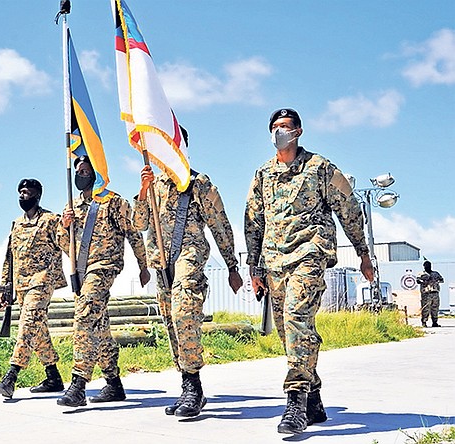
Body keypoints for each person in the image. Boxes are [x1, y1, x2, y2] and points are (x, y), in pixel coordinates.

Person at [244, 108, 375, 435]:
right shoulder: (262, 174)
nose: (279, 132)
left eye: (285, 126)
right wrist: (254, 266)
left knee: (298, 319)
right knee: (288, 332)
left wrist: (363, 253)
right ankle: (314, 399)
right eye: (275, 127)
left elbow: (349, 209)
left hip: (310, 254)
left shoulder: (320, 169)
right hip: (274, 262)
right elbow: (253, 222)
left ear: (299, 131)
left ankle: (296, 402)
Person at [135, 127, 244, 418]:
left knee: (185, 315)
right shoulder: (154, 185)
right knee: (172, 323)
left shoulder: (199, 184)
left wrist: (232, 266)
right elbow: (139, 223)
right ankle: (187, 385)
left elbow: (221, 226)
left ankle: (194, 386)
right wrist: (143, 191)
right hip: (161, 263)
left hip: (189, 257)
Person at [56, 155, 150, 407]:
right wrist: (65, 227)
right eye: (79, 170)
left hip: (105, 266)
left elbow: (133, 233)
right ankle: (113, 383)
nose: (81, 174)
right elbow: (67, 246)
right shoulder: (72, 207)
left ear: (96, 173)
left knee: (85, 314)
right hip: (83, 271)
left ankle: (78, 384)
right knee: (98, 324)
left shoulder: (113, 202)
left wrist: (144, 266)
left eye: (86, 170)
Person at [0, 178, 68, 400]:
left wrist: (67, 226)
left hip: (43, 281)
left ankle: (11, 375)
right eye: (20, 192)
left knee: (27, 324)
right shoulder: (16, 224)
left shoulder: (51, 220)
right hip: (21, 285)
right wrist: (4, 288)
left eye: (27, 192)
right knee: (36, 330)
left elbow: (66, 244)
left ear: (38, 195)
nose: (23, 196)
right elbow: (10, 257)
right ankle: (53, 377)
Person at [417, 260, 443, 327]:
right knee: (425, 308)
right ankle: (424, 322)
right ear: (424, 267)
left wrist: (436, 281)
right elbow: (417, 280)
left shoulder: (435, 273)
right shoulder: (421, 274)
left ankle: (435, 322)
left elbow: (442, 280)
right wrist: (424, 281)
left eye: (429, 265)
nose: (428, 267)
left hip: (435, 293)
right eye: (426, 266)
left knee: (435, 308)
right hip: (426, 294)